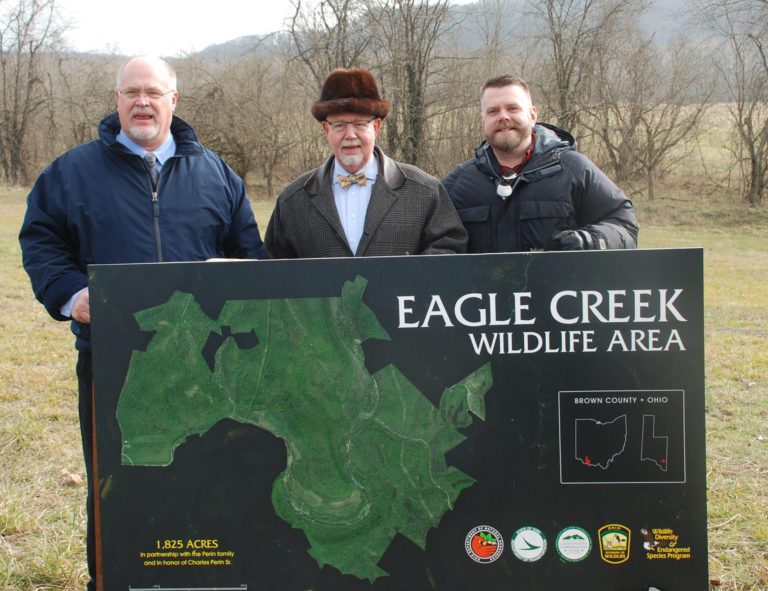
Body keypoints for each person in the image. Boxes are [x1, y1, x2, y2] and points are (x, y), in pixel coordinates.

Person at [18, 55, 264, 590]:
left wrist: (235, 279)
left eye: (153, 92)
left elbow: (250, 256)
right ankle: (115, 580)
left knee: (210, 478)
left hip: (209, 369)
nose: (142, 102)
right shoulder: (70, 173)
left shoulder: (217, 175)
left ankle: (212, 580)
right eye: (131, 92)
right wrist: (69, 295)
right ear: (117, 102)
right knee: (116, 485)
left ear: (174, 101)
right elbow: (41, 243)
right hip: (114, 363)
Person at [265, 67, 467, 258]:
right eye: (340, 125)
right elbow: (275, 275)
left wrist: (409, 278)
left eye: (360, 124)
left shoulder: (425, 192)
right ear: (326, 130)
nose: (350, 135)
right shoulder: (292, 202)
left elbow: (450, 251)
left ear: (376, 127)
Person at [442, 74, 638, 252]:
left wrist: (589, 240)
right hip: (485, 291)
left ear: (532, 115)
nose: (503, 117)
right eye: (493, 111)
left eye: (513, 108)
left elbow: (624, 227)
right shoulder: (457, 184)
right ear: (483, 121)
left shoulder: (574, 169)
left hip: (557, 290)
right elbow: (432, 241)